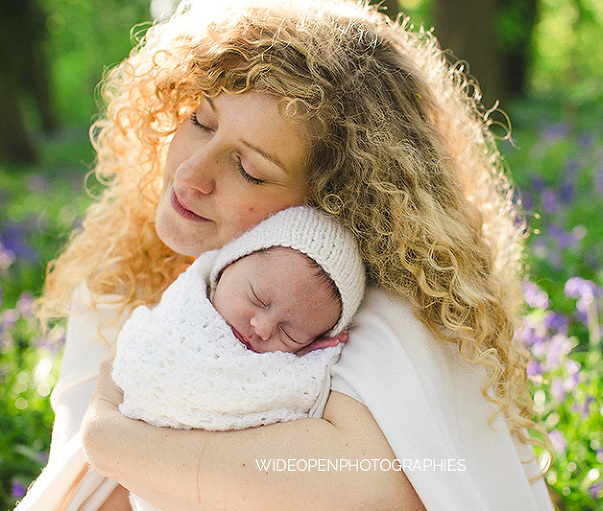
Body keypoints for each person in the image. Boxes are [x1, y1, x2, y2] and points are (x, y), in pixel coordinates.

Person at [22, 0, 555, 509]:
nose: (189, 175)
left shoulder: (364, 306)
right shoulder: (120, 280)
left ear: (334, 204)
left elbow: (366, 486)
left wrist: (111, 438)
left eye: (249, 168)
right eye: (201, 122)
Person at [111, 205, 366, 511]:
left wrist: (308, 363)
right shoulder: (176, 315)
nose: (262, 327)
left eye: (291, 333)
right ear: (226, 265)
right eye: (257, 298)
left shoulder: (294, 367)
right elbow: (141, 364)